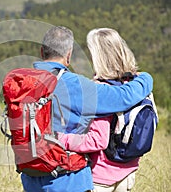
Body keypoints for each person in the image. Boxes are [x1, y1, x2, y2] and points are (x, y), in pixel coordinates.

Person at [20, 26, 153, 192]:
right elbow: (122, 97)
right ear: (68, 54)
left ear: (41, 52)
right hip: (67, 179)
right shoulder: (78, 86)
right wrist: (146, 78)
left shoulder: (23, 83)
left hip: (31, 176)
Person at [58, 28, 157, 192]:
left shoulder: (102, 92)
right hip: (128, 172)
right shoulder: (136, 83)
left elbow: (97, 140)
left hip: (101, 178)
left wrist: (61, 139)